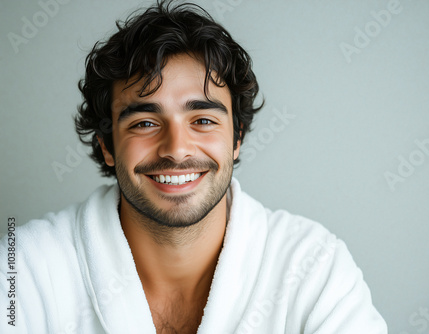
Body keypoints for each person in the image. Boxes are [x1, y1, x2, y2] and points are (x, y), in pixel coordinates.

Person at [0, 1, 387, 333]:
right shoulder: (25, 267)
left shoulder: (314, 267)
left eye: (202, 120)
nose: (177, 149)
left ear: (236, 140)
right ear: (107, 147)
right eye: (145, 123)